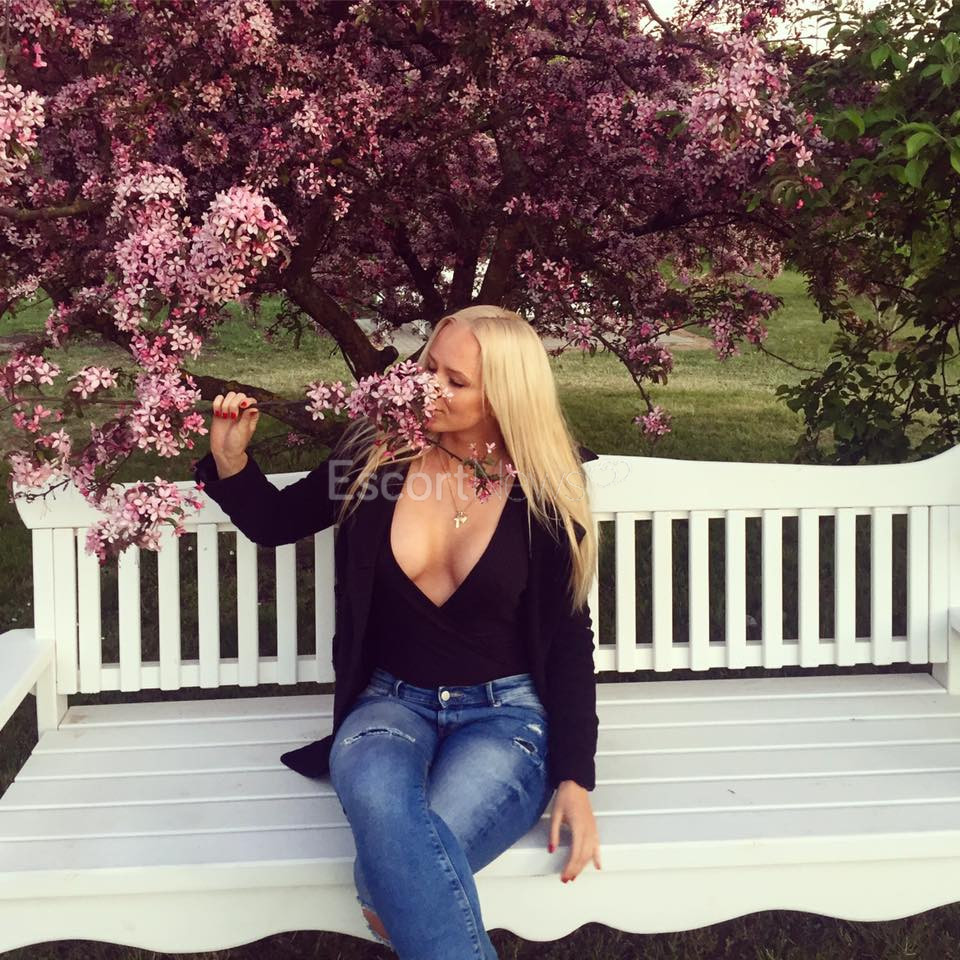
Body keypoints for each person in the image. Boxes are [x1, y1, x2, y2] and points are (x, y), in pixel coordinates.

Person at [192, 305, 602, 960]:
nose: (426, 388)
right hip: (387, 705)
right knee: (394, 829)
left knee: (391, 874)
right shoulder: (374, 457)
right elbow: (276, 521)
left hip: (504, 718)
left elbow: (571, 640)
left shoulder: (543, 489)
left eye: (455, 381)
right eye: (427, 367)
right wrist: (230, 459)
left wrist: (575, 777)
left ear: (505, 397)